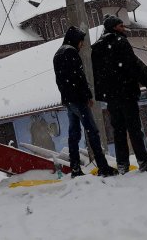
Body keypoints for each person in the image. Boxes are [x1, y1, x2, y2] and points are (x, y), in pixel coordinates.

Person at [91, 15, 147, 174]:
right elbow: (134, 66)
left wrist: (103, 93)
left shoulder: (97, 47)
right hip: (126, 92)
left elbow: (96, 74)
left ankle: (122, 164)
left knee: (118, 130)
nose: (124, 29)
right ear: (114, 27)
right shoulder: (120, 43)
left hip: (111, 96)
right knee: (134, 128)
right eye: (121, 26)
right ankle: (143, 160)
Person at [53, 26, 119, 178]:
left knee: (74, 134)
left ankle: (75, 169)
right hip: (78, 99)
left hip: (68, 100)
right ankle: (103, 167)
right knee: (92, 132)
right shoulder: (71, 52)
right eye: (81, 41)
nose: (81, 45)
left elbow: (60, 80)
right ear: (77, 40)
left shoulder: (58, 54)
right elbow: (79, 76)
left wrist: (66, 97)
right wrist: (87, 96)